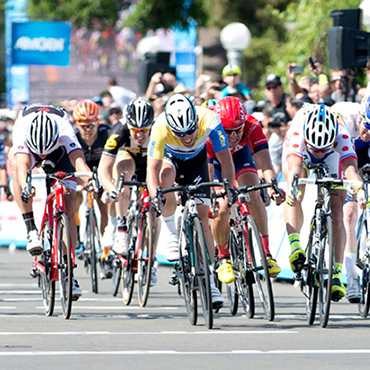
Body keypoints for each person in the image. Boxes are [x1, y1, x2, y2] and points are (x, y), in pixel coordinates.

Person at [146, 93, 236, 308]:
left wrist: (229, 188)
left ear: (196, 121)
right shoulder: (160, 126)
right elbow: (152, 168)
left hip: (197, 161)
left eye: (190, 131)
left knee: (204, 218)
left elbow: (225, 159)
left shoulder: (209, 119)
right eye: (180, 133)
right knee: (164, 176)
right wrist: (155, 195)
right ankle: (170, 232)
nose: (186, 138)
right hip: (171, 159)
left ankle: (210, 280)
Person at [9, 104, 94, 299]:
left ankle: (69, 273)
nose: (43, 156)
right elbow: (23, 168)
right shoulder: (22, 129)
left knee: (68, 203)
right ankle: (31, 229)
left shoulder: (65, 130)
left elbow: (79, 163)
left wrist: (91, 182)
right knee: (17, 170)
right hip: (28, 149)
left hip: (59, 151)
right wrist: (26, 187)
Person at [283, 103, 365, 302]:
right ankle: (295, 245)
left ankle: (336, 273)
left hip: (334, 155)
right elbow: (293, 168)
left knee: (337, 213)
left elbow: (351, 171)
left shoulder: (342, 135)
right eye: (316, 150)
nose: (318, 153)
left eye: (322, 149)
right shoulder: (299, 131)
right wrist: (292, 189)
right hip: (301, 153)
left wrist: (360, 191)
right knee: (297, 189)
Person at [207, 97, 284, 283]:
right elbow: (208, 169)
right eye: (228, 132)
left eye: (237, 131)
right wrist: (211, 195)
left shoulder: (252, 125)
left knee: (253, 191)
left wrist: (273, 186)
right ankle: (224, 257)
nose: (233, 136)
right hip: (215, 161)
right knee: (221, 206)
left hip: (241, 157)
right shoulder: (210, 127)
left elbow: (265, 163)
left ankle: (266, 253)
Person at [98, 97, 158, 285]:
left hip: (151, 160)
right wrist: (111, 189)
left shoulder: (158, 129)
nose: (139, 135)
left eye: (144, 131)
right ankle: (122, 228)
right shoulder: (119, 130)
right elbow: (103, 170)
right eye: (135, 130)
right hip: (129, 157)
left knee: (154, 212)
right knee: (122, 177)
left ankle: (151, 261)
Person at [331, 93, 370, 302]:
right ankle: (352, 278)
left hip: (364, 158)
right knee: (348, 214)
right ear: (361, 116)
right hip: (342, 158)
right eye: (367, 127)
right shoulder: (345, 115)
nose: (368, 133)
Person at [72, 99, 111, 275]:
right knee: (75, 197)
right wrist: (84, 184)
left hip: (100, 171)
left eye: (92, 125)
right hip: (80, 173)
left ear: (98, 122)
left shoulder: (106, 134)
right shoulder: (72, 136)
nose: (88, 129)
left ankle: (106, 251)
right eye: (83, 125)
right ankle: (78, 231)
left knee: (105, 208)